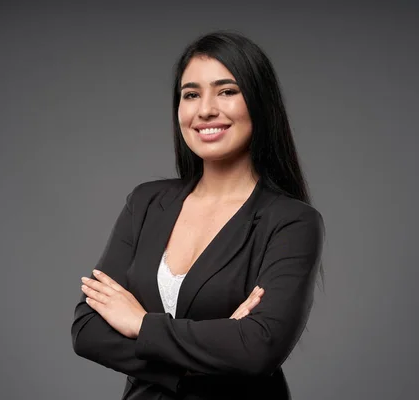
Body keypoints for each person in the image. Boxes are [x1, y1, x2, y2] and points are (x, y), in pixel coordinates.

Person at [71, 30, 325, 400]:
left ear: (259, 102)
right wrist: (212, 349)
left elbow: (258, 348)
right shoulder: (146, 203)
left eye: (226, 91)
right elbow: (88, 331)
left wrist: (139, 324)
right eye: (191, 94)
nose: (205, 109)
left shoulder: (292, 222)